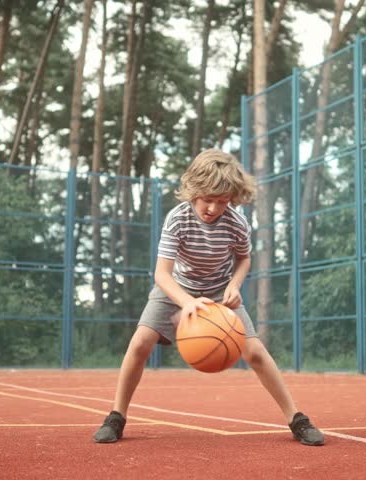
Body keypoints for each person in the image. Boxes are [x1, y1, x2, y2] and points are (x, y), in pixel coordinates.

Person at [93, 149, 324, 446]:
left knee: (254, 352)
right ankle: (116, 416)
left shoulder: (237, 223)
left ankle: (297, 420)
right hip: (176, 288)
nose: (214, 207)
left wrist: (235, 284)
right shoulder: (177, 219)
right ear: (193, 189)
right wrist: (186, 302)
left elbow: (244, 259)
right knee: (139, 343)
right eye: (207, 198)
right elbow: (162, 274)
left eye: (222, 201)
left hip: (218, 291)